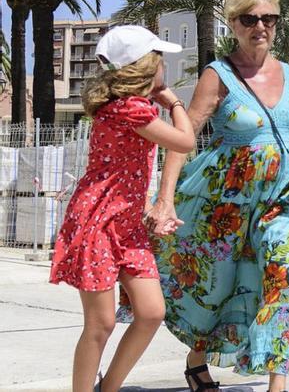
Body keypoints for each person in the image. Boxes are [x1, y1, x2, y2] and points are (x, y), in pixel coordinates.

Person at [146, 0, 289, 392]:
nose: (260, 27)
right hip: (223, 205)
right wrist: (165, 199)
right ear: (233, 24)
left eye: (268, 18)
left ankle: (277, 385)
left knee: (282, 280)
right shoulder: (219, 75)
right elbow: (185, 136)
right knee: (215, 286)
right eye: (249, 19)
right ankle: (197, 359)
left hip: (280, 201)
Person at [50, 26, 196, 392]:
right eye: (159, 59)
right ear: (145, 66)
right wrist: (174, 102)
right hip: (97, 222)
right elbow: (186, 140)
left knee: (150, 312)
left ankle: (108, 387)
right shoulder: (130, 108)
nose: (165, 65)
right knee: (100, 324)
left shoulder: (134, 106)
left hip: (125, 223)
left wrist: (149, 205)